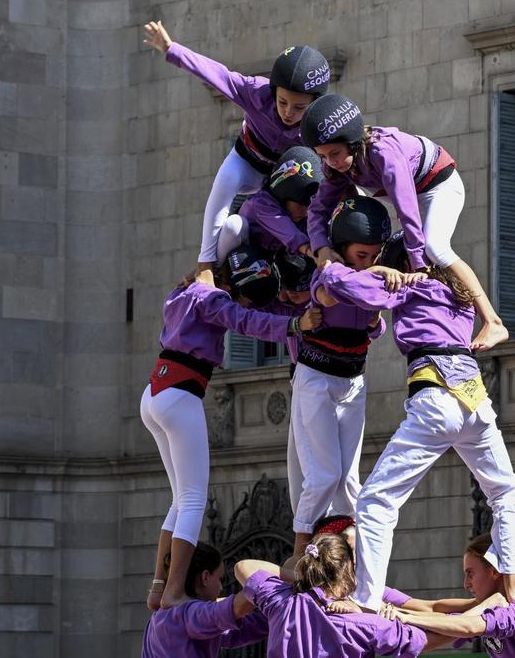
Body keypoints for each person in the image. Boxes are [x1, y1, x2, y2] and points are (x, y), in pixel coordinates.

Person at [311, 231, 515, 611]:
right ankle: (513, 581)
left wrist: (331, 260)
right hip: (475, 400)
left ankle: (366, 600)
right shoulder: (460, 296)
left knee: (375, 501)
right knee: (506, 494)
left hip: (434, 396)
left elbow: (343, 283)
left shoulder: (407, 286)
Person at [143, 255, 320, 610]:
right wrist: (297, 325)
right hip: (181, 394)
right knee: (194, 499)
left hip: (153, 393)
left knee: (179, 499)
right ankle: (175, 590)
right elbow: (246, 321)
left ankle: (158, 588)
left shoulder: (183, 292)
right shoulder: (214, 299)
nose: (241, 304)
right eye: (244, 297)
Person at [299, 93, 509, 351]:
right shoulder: (339, 166)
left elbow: (407, 211)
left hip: (438, 186)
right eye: (323, 156)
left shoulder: (384, 153)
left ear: (353, 142)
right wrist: (322, 249)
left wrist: (420, 267)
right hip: (409, 194)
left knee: (435, 247)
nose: (330, 162)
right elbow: (318, 210)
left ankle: (493, 321)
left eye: (335, 153)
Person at [142, 20, 330, 269]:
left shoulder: (319, 123)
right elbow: (217, 74)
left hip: (281, 182)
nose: (288, 113)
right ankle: (206, 265)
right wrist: (171, 48)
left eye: (299, 108)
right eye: (282, 102)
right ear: (273, 91)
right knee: (225, 181)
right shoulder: (256, 93)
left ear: (314, 104)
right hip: (246, 161)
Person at [288, 197, 413, 560]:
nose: (370, 262)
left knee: (350, 482)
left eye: (375, 256)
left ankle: (352, 557)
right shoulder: (327, 276)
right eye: (361, 255)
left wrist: (379, 308)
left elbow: (374, 324)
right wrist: (371, 277)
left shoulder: (372, 279)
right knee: (324, 476)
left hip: (352, 381)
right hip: (316, 380)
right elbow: (328, 292)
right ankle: (298, 552)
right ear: (342, 250)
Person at [234, 534, 426, 658]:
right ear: (347, 571)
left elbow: (243, 567)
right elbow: (420, 639)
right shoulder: (361, 622)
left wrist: (299, 577)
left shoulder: (281, 600)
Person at [388, 533, 515, 658]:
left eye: (470, 573)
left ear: (493, 571)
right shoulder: (491, 603)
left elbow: (468, 626)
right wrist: (386, 606)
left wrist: (405, 617)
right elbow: (438, 614)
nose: (466, 584)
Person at [142, 542, 268, 657]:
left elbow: (245, 628)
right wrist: (277, 578)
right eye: (220, 579)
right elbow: (236, 608)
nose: (220, 587)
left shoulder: (157, 617)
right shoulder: (191, 614)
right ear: (205, 577)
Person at [217, 146, 322, 261]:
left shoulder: (301, 217)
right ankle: (216, 269)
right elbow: (290, 233)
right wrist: (312, 251)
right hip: (240, 256)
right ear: (285, 194)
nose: (306, 212)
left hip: (269, 262)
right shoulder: (261, 203)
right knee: (234, 225)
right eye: (302, 204)